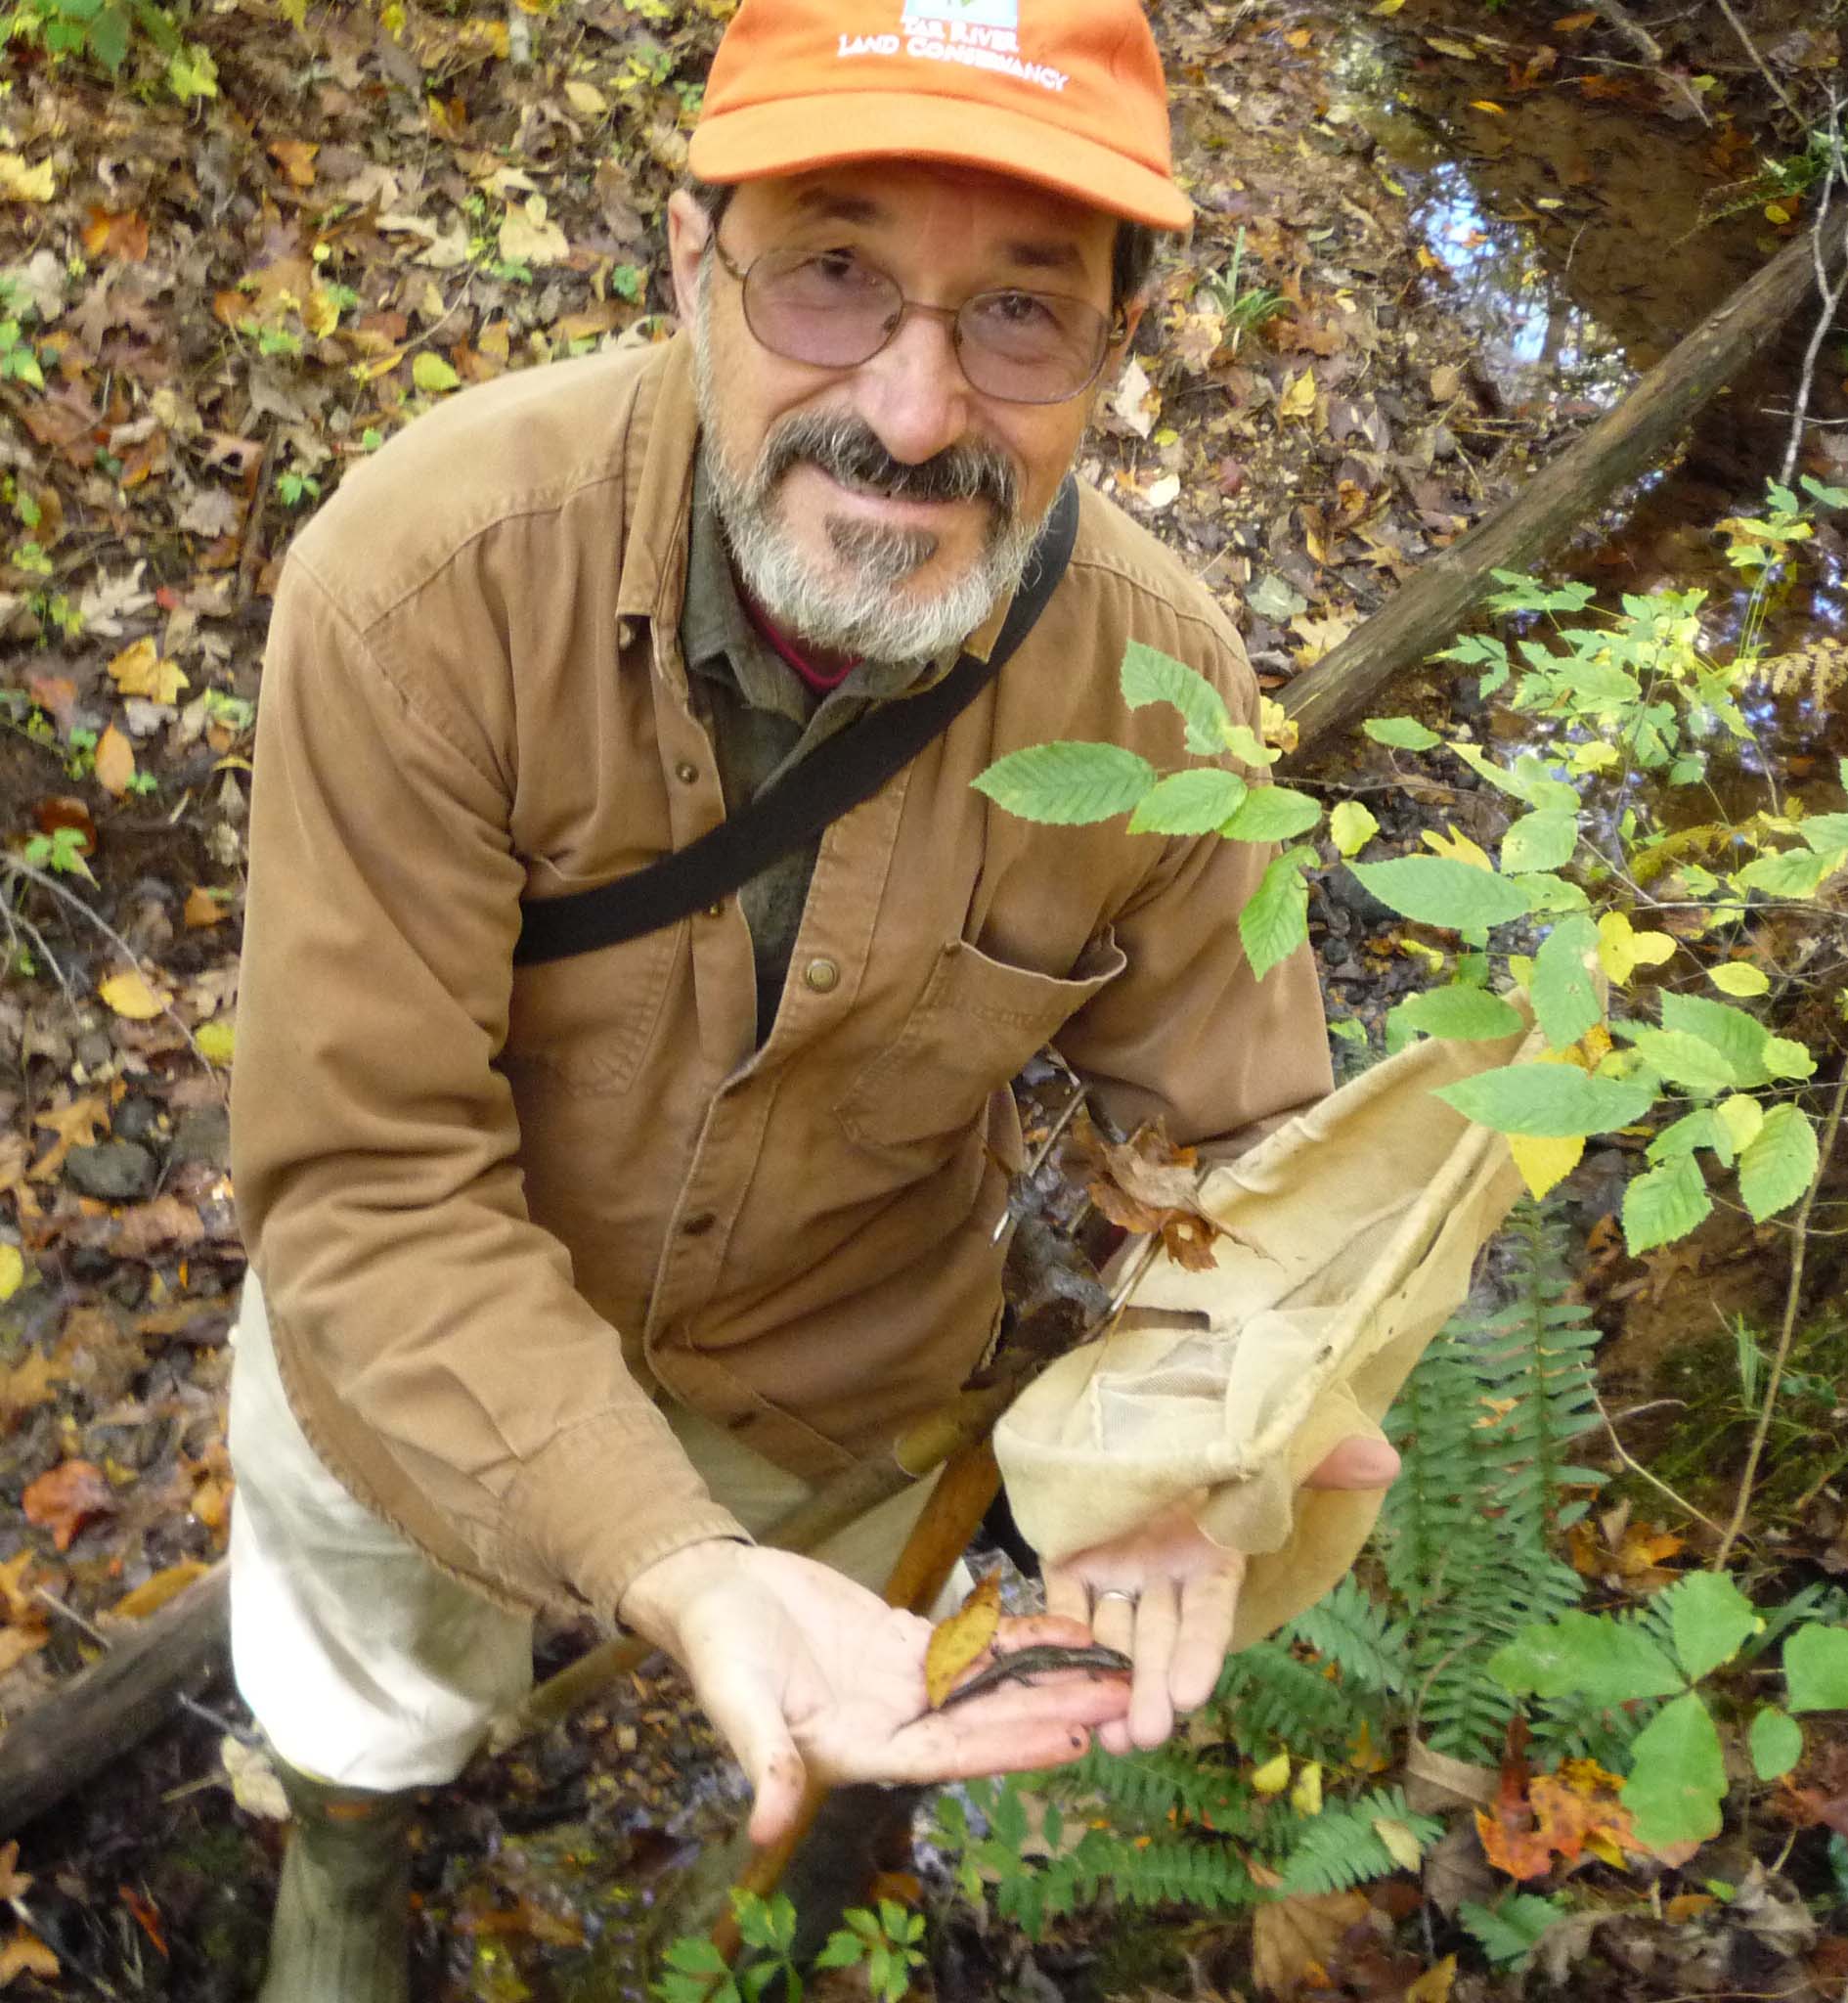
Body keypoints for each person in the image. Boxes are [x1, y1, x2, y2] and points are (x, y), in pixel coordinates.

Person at [226, 1, 1401, 1994]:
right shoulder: (423, 584)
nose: (920, 411)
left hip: (847, 1373)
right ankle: (345, 1862)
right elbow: (361, 1179)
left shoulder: (1160, 691)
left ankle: (767, 1901)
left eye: (1022, 314)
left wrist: (1210, 1422)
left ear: (1117, 345)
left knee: (842, 1723)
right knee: (362, 1671)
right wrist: (669, 1561)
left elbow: (1244, 1150)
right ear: (694, 259)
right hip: (409, 1331)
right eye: (835, 274)